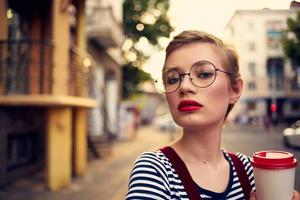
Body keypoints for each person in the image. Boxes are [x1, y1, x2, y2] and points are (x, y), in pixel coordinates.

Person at [126, 30, 300, 200]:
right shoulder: (154, 170)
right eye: (172, 79)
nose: (184, 86)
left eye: (203, 74)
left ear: (235, 89)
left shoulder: (249, 170)